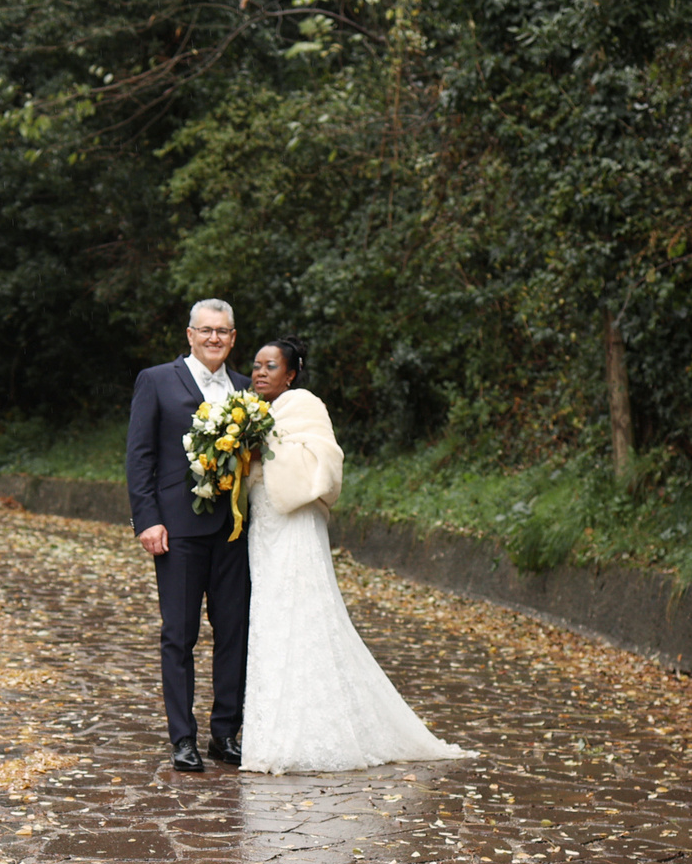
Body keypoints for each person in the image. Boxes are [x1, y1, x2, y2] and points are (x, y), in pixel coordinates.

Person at [239, 336, 472, 774]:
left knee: (301, 614)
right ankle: (270, 733)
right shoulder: (249, 412)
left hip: (295, 523)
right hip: (264, 526)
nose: (259, 373)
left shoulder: (304, 405)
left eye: (270, 366)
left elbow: (324, 461)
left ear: (291, 374)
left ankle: (308, 733)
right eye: (255, 365)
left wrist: (263, 449)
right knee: (270, 617)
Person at [126, 298, 251, 772]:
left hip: (232, 529)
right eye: (206, 330)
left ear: (233, 338)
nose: (214, 338)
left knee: (233, 632)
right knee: (179, 635)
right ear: (190, 334)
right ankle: (183, 738)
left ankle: (225, 732)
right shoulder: (156, 381)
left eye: (223, 331)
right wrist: (148, 519)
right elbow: (140, 457)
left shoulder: (244, 389)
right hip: (176, 530)